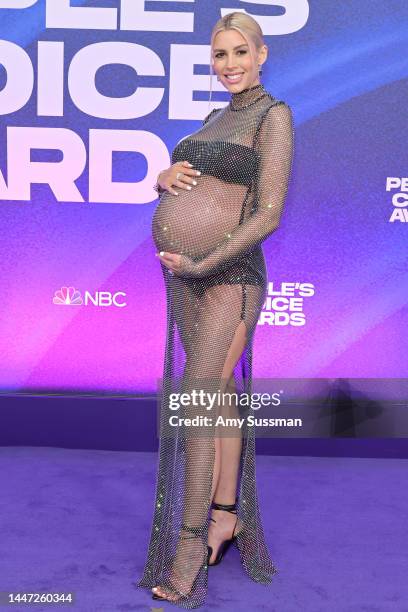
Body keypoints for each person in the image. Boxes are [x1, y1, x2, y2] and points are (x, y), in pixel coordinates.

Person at [137, 11, 294, 608]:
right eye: (219, 54)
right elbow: (194, 184)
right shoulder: (214, 116)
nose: (228, 64)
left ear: (261, 54)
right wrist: (164, 177)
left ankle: (190, 546)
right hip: (186, 280)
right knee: (218, 396)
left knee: (200, 398)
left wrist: (204, 263)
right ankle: (226, 517)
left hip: (228, 278)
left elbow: (268, 213)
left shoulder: (274, 115)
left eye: (239, 53)